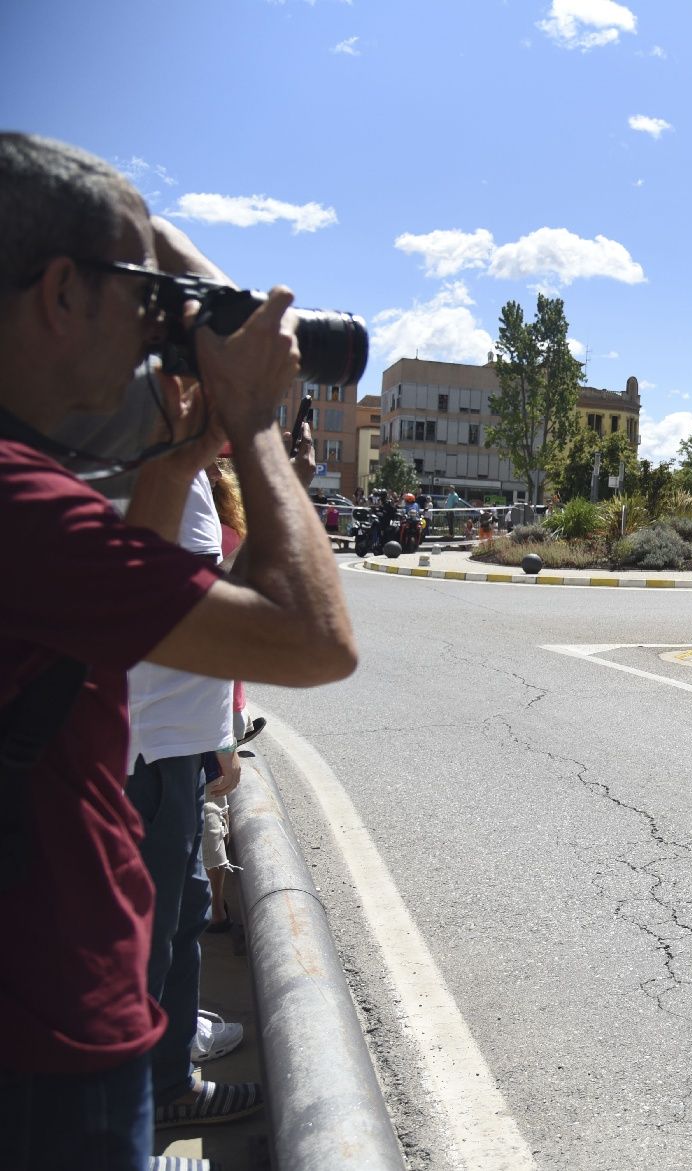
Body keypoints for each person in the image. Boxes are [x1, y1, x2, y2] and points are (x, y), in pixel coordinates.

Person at [0, 134, 357, 1169]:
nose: (160, 327)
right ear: (62, 292)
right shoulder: (20, 501)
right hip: (47, 1025)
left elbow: (100, 646)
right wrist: (250, 422)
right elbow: (313, 639)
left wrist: (174, 456)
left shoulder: (34, 480)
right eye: (142, 294)